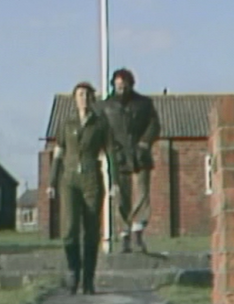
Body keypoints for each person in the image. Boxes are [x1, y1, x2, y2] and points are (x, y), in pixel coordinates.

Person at [47, 82, 117, 295]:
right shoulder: (66, 123)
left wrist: (114, 182)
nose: (83, 98)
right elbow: (58, 153)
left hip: (91, 178)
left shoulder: (100, 124)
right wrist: (51, 182)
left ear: (92, 98)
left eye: (87, 94)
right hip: (69, 179)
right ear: (74, 98)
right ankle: (73, 271)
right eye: (80, 94)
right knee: (69, 230)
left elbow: (111, 154)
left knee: (91, 230)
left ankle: (88, 279)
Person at [99, 68, 161, 253]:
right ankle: (124, 234)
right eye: (118, 85)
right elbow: (102, 130)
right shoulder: (105, 107)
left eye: (125, 85)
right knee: (120, 196)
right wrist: (108, 147)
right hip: (118, 157)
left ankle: (138, 231)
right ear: (113, 85)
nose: (122, 89)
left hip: (140, 156)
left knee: (142, 194)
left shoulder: (144, 104)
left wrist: (144, 143)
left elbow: (154, 125)